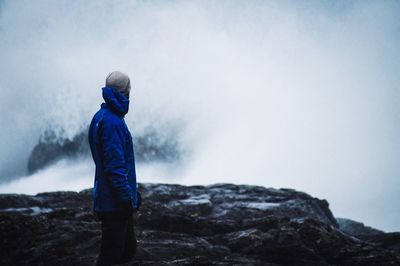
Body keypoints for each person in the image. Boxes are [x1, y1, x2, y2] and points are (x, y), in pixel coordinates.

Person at [88, 71, 140, 266]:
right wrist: (126, 198)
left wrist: (133, 194)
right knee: (112, 256)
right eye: (129, 89)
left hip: (108, 197)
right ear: (125, 91)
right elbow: (114, 167)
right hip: (114, 202)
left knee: (126, 251)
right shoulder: (113, 123)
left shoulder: (101, 116)